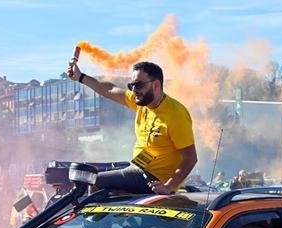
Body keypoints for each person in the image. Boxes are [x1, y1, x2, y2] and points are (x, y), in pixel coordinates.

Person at [67, 59, 197, 195]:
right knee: (103, 183)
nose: (134, 90)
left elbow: (190, 158)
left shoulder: (175, 114)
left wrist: (168, 186)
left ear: (156, 85)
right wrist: (80, 77)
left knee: (96, 181)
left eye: (139, 85)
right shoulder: (142, 102)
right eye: (132, 85)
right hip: (138, 168)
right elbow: (109, 89)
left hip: (155, 178)